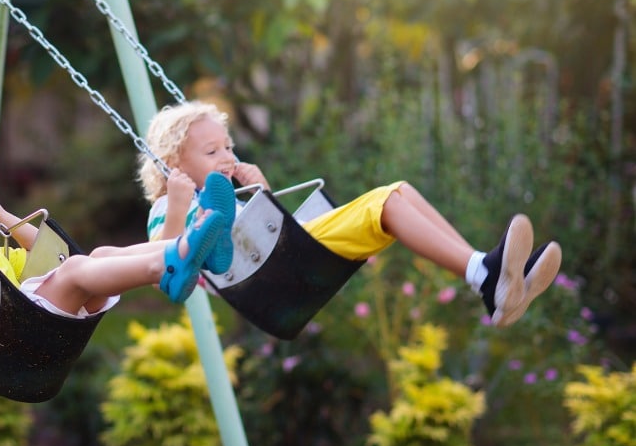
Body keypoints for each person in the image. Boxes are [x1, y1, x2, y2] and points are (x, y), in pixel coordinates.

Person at [137, 101, 563, 328]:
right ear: (172, 162)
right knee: (386, 202)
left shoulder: (235, 199)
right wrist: (177, 203)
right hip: (262, 275)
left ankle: (492, 281)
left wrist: (262, 190)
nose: (227, 157)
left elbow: (269, 230)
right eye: (212, 151)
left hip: (284, 256)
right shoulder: (167, 204)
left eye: (228, 146)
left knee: (400, 193)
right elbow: (163, 263)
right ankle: (485, 278)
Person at [0, 161, 235, 352]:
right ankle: (172, 262)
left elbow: (54, 257)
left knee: (100, 255)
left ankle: (195, 247)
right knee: (79, 268)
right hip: (20, 340)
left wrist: (3, 216)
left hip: (50, 319)